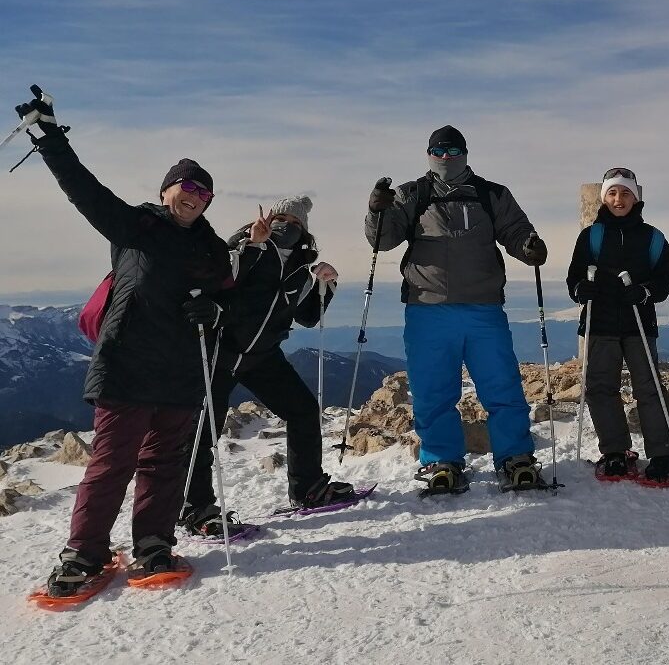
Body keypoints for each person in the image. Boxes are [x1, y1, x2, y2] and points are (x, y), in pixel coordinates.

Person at [23, 93, 230, 597]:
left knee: (163, 463)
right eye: (187, 186)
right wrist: (50, 138)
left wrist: (216, 310)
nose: (195, 196)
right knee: (112, 462)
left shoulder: (212, 247)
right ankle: (83, 554)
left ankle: (154, 544)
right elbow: (84, 190)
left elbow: (231, 300)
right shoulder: (135, 227)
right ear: (167, 191)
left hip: (181, 372)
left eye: (204, 192)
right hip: (127, 366)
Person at [364, 125, 549, 495]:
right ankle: (441, 460)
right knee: (433, 391)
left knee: (502, 386)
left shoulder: (491, 194)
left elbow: (516, 231)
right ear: (429, 153)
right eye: (439, 151)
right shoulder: (411, 194)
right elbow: (382, 241)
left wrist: (528, 245)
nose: (446, 157)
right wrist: (376, 210)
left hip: (482, 307)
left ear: (465, 152)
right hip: (427, 307)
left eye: (452, 150)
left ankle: (516, 458)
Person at [179, 195, 358, 538]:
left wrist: (325, 285)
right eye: (282, 217)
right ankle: (195, 509)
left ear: (304, 230)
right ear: (269, 216)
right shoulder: (244, 246)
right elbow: (217, 281)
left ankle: (308, 487)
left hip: (261, 355)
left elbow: (308, 317)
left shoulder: (302, 266)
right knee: (203, 429)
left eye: (295, 222)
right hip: (220, 351)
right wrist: (251, 245)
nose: (286, 225)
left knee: (303, 410)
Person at [565, 168, 669, 485]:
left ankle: (664, 452)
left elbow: (664, 281)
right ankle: (614, 451)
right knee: (600, 387)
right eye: (613, 193)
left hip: (638, 321)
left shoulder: (653, 238)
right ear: (604, 197)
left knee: (649, 387)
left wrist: (645, 291)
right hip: (600, 321)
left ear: (636, 197)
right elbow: (574, 277)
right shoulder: (591, 236)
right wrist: (579, 291)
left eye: (625, 193)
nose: (619, 199)